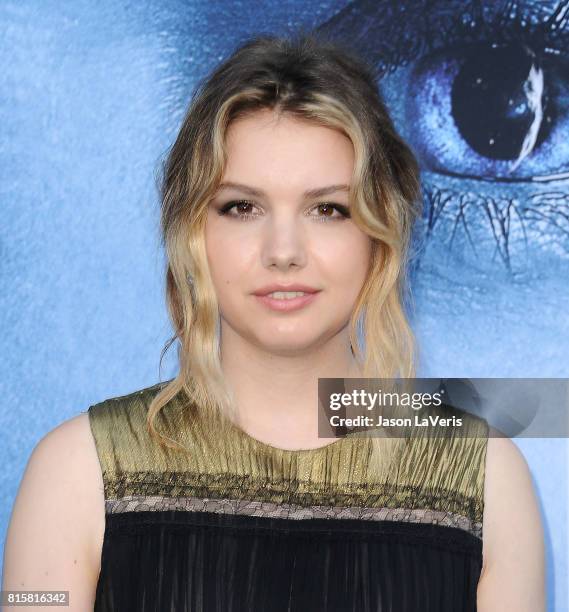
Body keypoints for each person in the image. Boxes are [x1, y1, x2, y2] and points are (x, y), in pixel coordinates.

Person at [2, 31, 545, 611]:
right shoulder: (76, 474)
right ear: (192, 232)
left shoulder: (482, 478)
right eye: (242, 207)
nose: (283, 250)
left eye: (328, 209)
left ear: (379, 236)